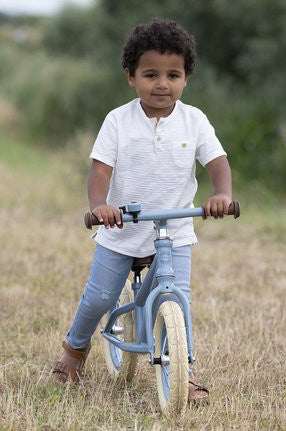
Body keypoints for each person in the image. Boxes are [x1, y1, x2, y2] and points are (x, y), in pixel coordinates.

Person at [51, 18, 233, 404]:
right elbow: (100, 169)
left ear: (186, 78)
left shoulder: (194, 120)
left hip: (175, 231)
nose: (162, 84)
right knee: (101, 296)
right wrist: (100, 206)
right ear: (130, 77)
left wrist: (222, 193)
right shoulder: (118, 121)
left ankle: (184, 374)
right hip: (122, 229)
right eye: (151, 74)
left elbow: (216, 161)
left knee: (178, 297)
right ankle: (74, 350)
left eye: (173, 74)